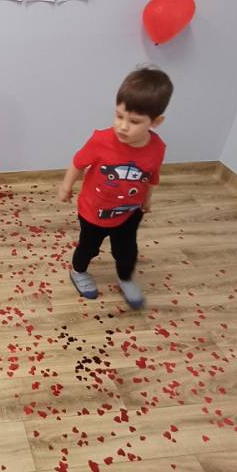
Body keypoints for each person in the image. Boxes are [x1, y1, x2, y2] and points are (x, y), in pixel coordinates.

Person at [57, 67, 173, 309]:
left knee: (127, 251)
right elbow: (78, 163)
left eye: (134, 121)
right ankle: (78, 271)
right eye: (119, 116)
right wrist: (66, 186)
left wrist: (147, 200)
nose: (123, 126)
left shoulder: (157, 148)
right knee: (88, 247)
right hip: (93, 211)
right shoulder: (101, 140)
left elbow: (151, 177)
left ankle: (125, 278)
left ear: (156, 122)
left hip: (130, 212)